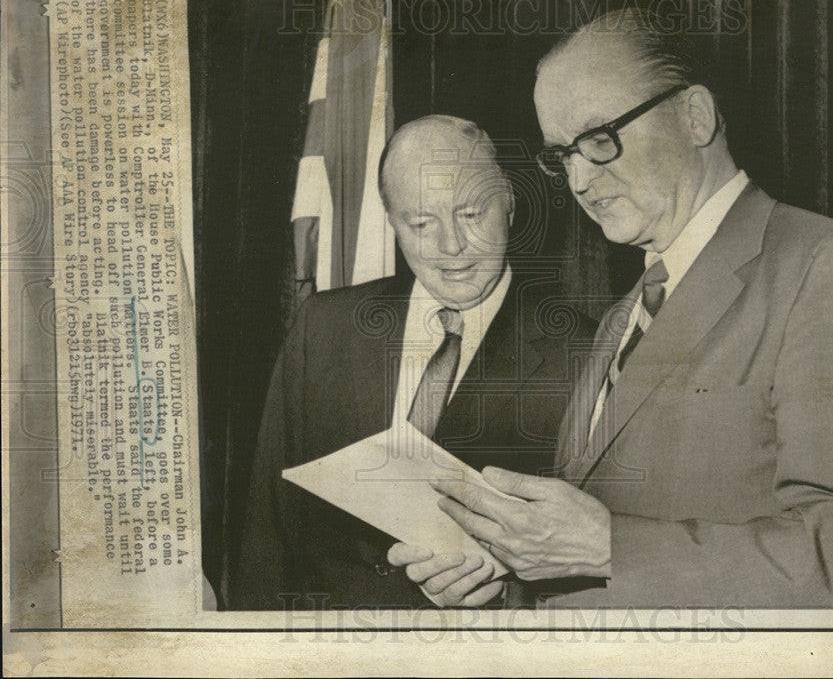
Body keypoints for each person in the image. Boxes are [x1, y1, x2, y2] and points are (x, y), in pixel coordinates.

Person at [397, 10, 833, 608]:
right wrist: (510, 570)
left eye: (600, 139)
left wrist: (608, 548)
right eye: (562, 155)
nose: (578, 179)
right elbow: (605, 549)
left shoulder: (827, 264)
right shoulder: (621, 317)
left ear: (695, 115)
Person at [229, 115, 594, 610]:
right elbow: (267, 531)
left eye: (470, 214)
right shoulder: (324, 326)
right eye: (422, 223)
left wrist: (508, 586)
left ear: (509, 202)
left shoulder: (585, 351)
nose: (452, 247)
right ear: (392, 221)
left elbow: (597, 559)